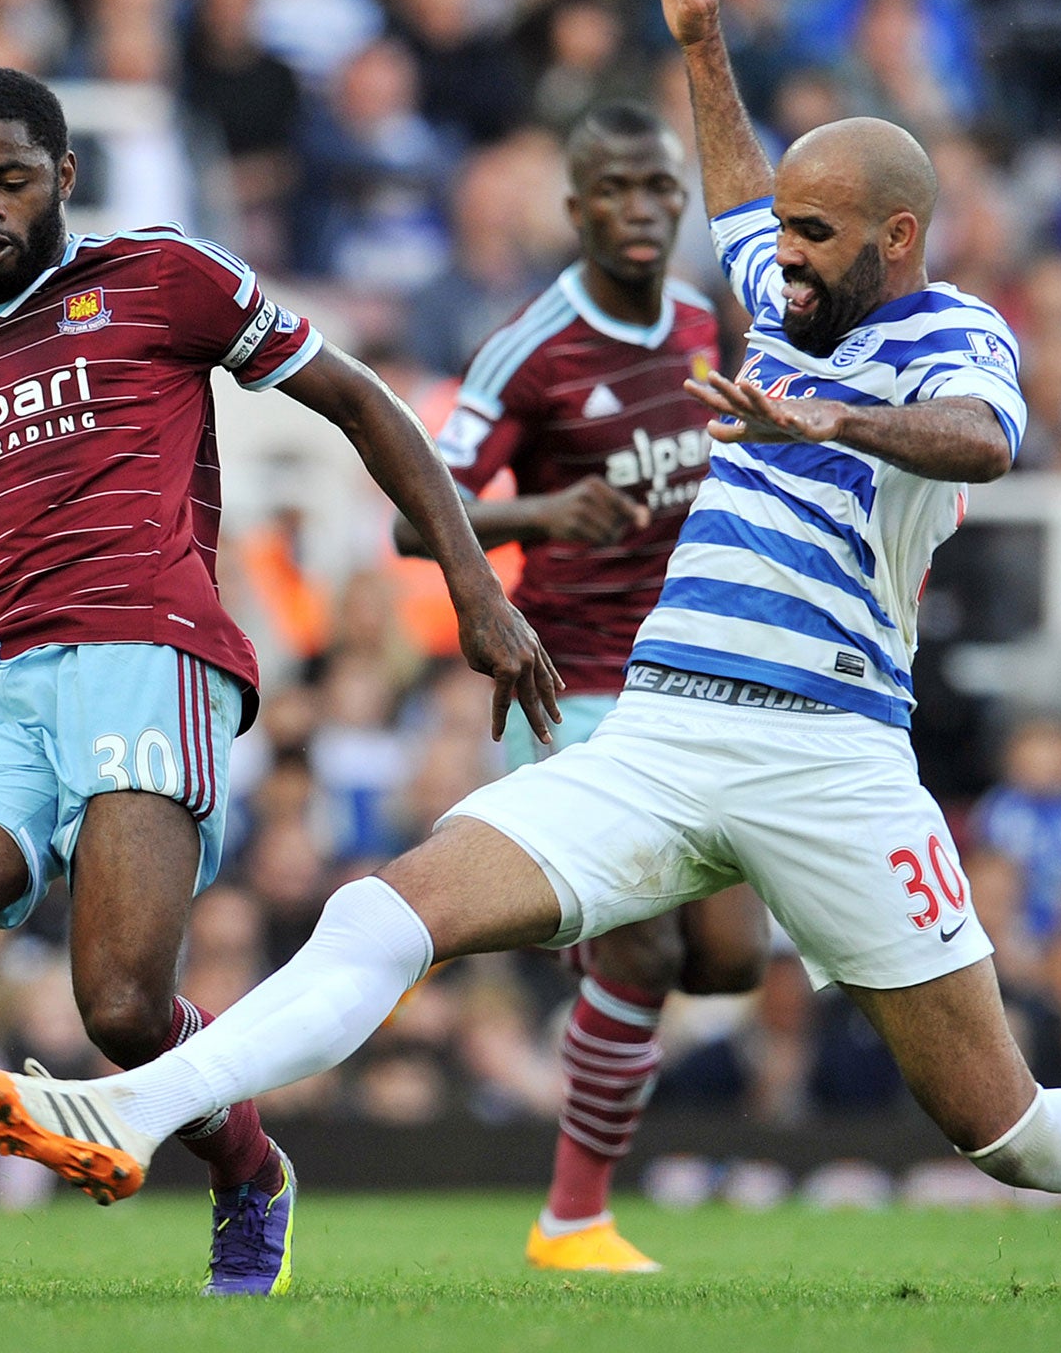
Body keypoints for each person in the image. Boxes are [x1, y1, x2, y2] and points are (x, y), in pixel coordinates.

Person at [0, 0, 1061, 1305]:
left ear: (898, 237)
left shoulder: (946, 334)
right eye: (781, 236)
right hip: (659, 736)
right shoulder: (782, 292)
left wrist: (825, 416)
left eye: (816, 236)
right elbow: (740, 194)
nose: (778, 258)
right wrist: (707, 43)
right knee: (385, 910)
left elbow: (984, 443)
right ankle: (134, 1113)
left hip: (833, 758)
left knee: (1004, 1126)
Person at [0, 67, 558, 1297]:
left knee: (125, 1009)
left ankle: (253, 1176)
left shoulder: (160, 278)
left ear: (63, 180)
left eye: (10, 180)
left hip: (148, 652)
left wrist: (474, 585)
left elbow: (362, 402)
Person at [391, 102, 768, 1273]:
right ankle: (573, 1220)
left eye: (660, 190)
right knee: (650, 959)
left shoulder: (705, 324)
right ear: (576, 209)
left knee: (730, 962)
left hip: (689, 686)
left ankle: (572, 931)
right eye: (617, 192)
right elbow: (419, 518)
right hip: (575, 686)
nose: (645, 213)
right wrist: (540, 513)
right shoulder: (530, 348)